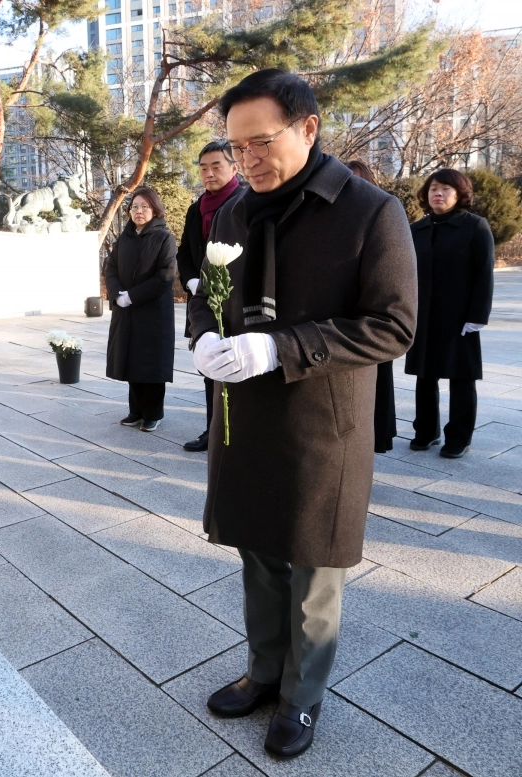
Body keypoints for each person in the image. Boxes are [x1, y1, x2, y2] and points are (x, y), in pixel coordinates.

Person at [187, 69, 416, 758]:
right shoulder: (231, 212)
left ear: (309, 128)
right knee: (258, 550)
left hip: (324, 422)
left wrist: (279, 346)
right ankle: (263, 669)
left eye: (261, 142)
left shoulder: (371, 212)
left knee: (315, 564)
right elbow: (205, 288)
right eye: (236, 145)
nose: (246, 159)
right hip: (246, 413)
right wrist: (201, 332)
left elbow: (394, 325)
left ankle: (303, 692)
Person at [404, 168, 494, 458]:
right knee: (424, 375)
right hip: (424, 315)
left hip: (459, 318)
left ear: (459, 194)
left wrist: (478, 315)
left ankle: (459, 437)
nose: (437, 193)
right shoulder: (417, 229)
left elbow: (484, 274)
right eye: (432, 189)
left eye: (445, 189)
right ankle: (426, 431)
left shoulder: (475, 227)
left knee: (461, 377)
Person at [177, 141, 247, 452]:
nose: (208, 173)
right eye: (203, 167)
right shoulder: (197, 209)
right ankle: (213, 431)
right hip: (204, 302)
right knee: (209, 367)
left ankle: (242, 432)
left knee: (241, 366)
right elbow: (183, 254)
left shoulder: (246, 203)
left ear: (234, 167)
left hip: (239, 302)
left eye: (216, 166)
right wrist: (192, 280)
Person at [105, 186, 177, 432]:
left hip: (153, 311)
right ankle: (135, 410)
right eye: (135, 207)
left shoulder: (164, 238)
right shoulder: (123, 239)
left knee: (152, 363)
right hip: (126, 311)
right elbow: (110, 269)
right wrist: (117, 296)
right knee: (131, 360)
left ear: (154, 209)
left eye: (144, 206)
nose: (139, 211)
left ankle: (153, 413)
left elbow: (166, 275)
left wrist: (133, 296)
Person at [345, 159, 399, 453]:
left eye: (355, 180)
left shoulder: (382, 214)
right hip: (343, 312)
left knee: (380, 377)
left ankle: (380, 434)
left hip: (373, 312)